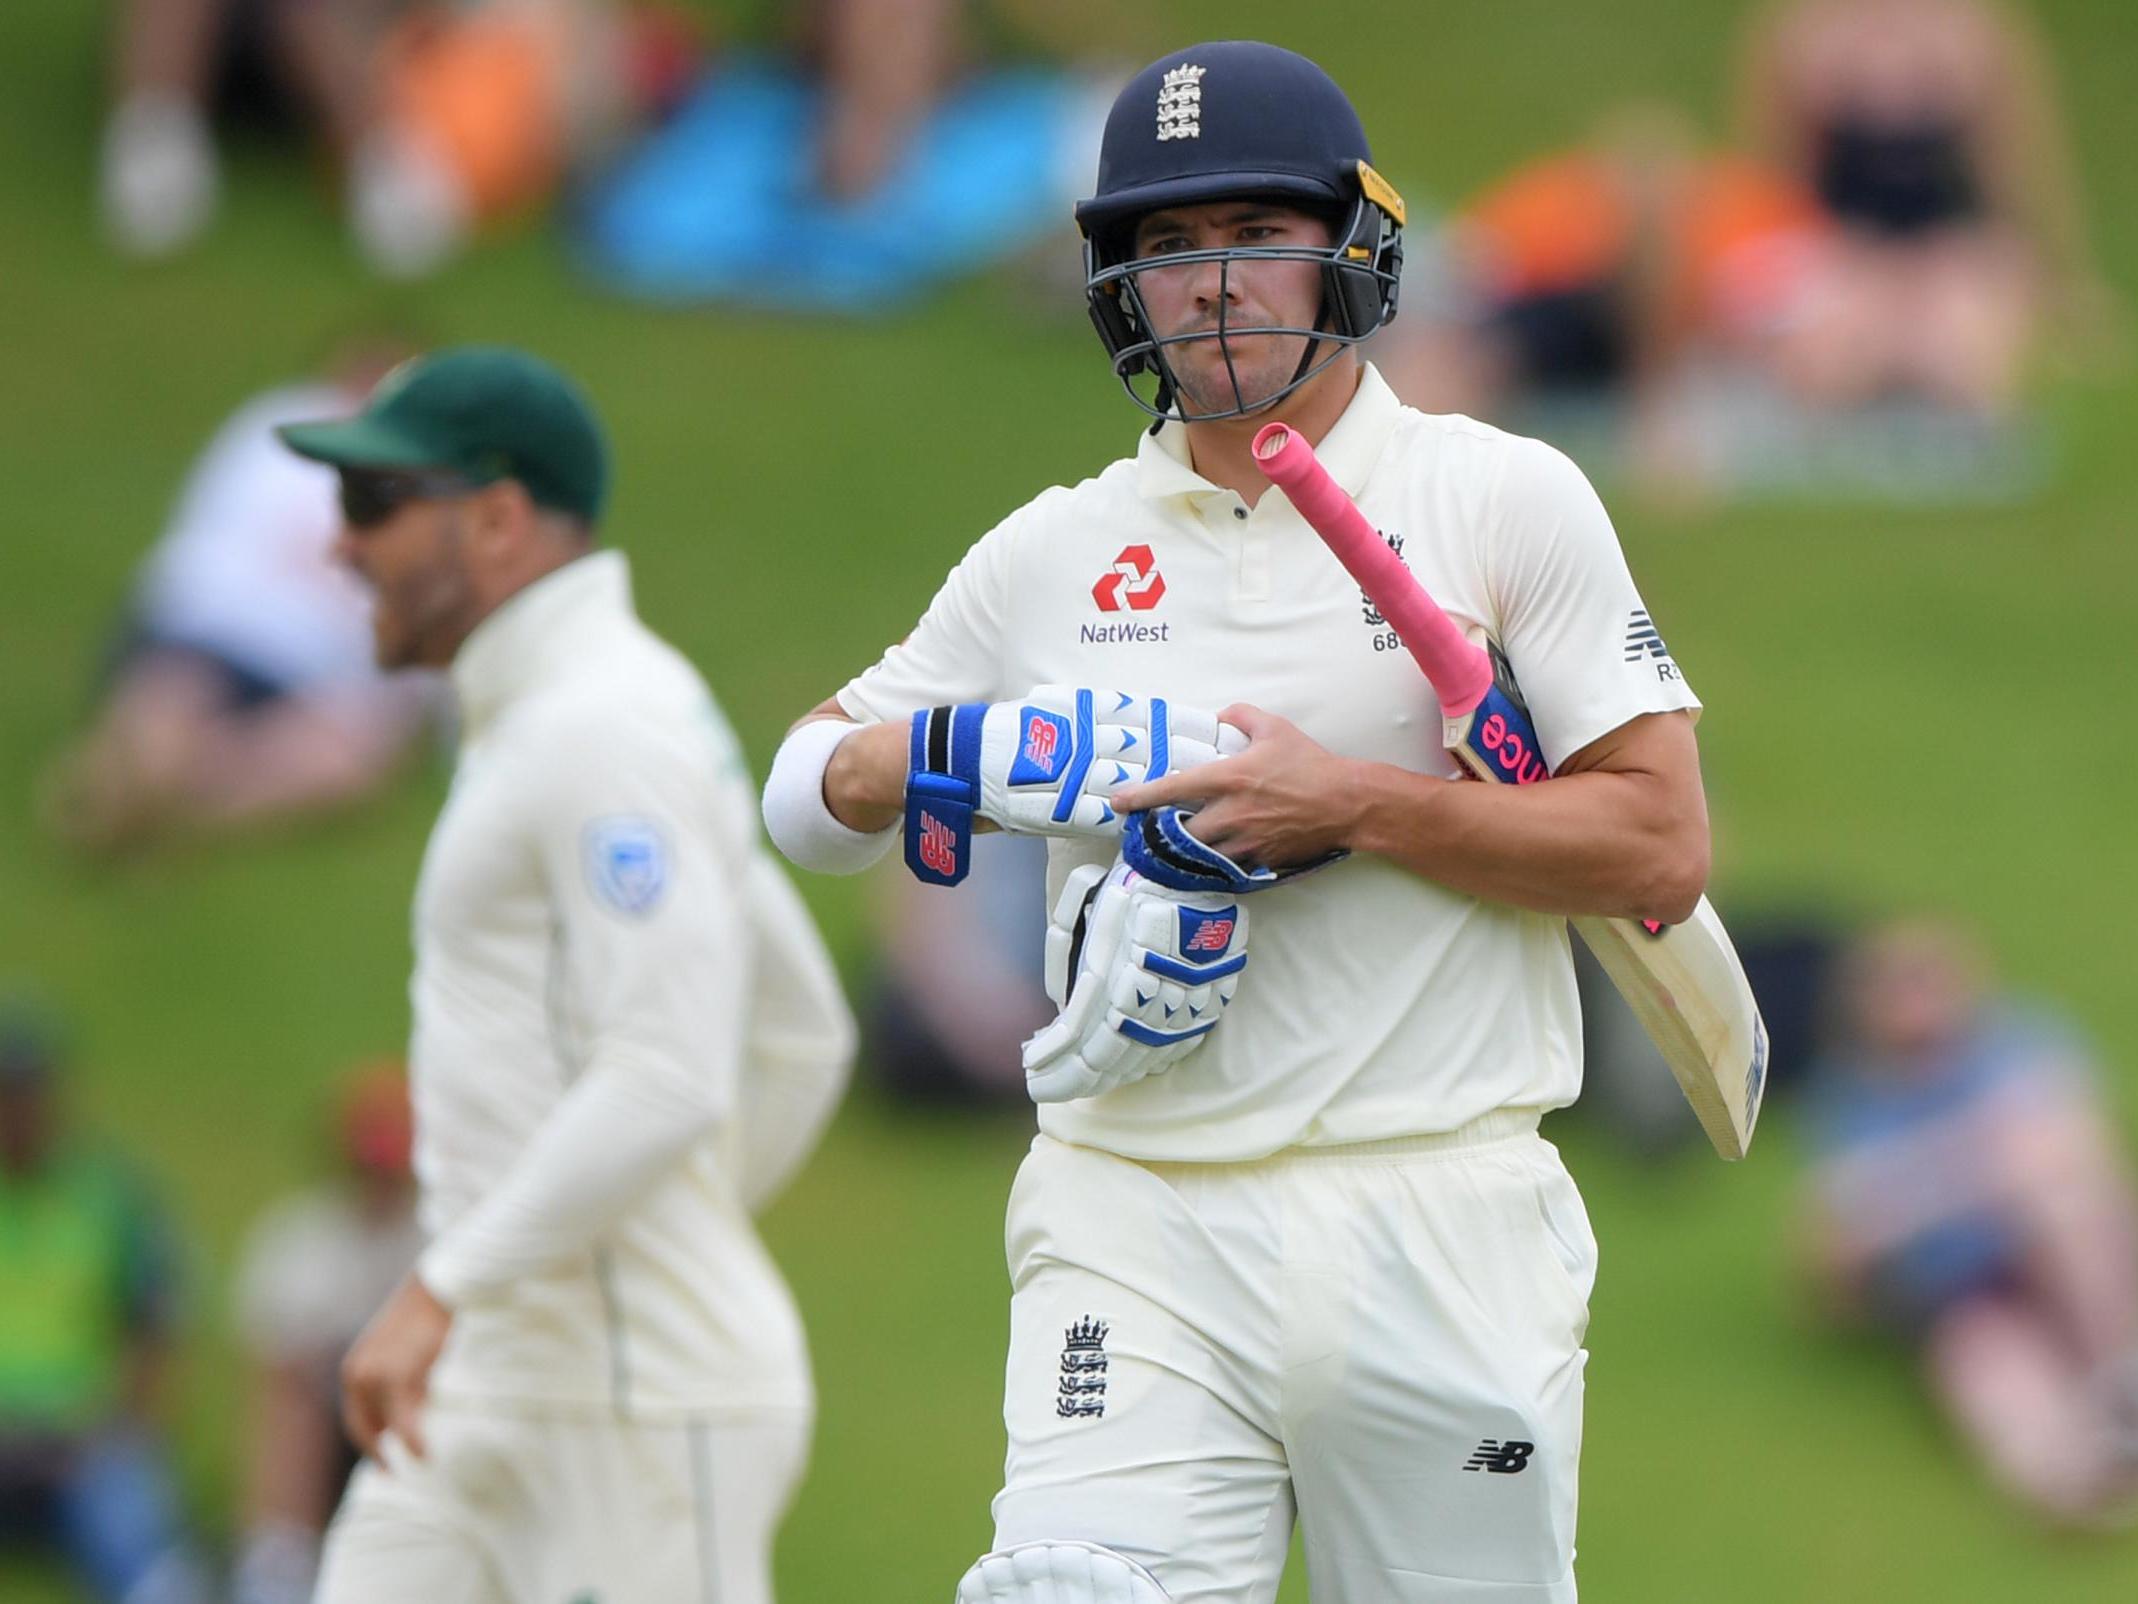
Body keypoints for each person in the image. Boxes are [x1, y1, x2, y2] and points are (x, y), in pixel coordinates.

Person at [762, 41, 1715, 1602]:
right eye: (1166, 247)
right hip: (1132, 1212)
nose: (1209, 285)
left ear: (1349, 245)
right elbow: (805, 800)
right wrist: (968, 752)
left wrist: (1352, 806)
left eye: (1252, 237)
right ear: (1115, 285)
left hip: (1440, 1210)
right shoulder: (1054, 553)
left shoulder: (1502, 498)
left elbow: (1656, 851)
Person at [277, 345, 855, 1604]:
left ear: (493, 518)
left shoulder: (604, 724)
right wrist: (625, 1233)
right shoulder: (577, 716)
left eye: (374, 506)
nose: (341, 546)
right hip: (496, 1379)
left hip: (636, 1403)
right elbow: (804, 1029)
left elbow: (667, 1070)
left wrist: (453, 1280)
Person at [1797, 920, 2138, 1527]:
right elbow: (1831, 1261)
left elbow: (2080, 1152)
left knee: (2059, 1202)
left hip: (2068, 1256)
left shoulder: (2021, 1044)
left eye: (1928, 981)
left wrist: (1912, 1191)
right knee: (1979, 1358)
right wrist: (1974, 1166)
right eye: (1895, 988)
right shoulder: (1854, 1102)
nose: (1915, 1002)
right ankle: (2076, 1480)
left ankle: (2121, 1383)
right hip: (1966, 1291)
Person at [41, 336, 431, 855]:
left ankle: (155, 816)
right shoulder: (286, 429)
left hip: (327, 680)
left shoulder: (429, 484)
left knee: (339, 765)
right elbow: (222, 551)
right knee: (168, 723)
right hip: (218, 634)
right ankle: (126, 800)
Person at [1733, 0, 2123, 413]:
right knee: (1832, 363)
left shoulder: (1975, 32)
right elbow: (1776, 186)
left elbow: (2014, 180)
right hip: (1847, 248)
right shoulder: (1802, 35)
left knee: (1958, 359)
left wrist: (2060, 282)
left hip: (1952, 250)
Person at [0, 998, 211, 1604]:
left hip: (80, 1436)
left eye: (25, 1091)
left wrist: (122, 1424)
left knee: (147, 1552)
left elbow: (158, 1319)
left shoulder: (111, 1193)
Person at [228, 1064, 423, 1604]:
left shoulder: (438, 1237)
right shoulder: (297, 1239)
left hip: (411, 1416)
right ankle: (278, 1558)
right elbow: (272, 1359)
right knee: (289, 1403)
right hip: (324, 1424)